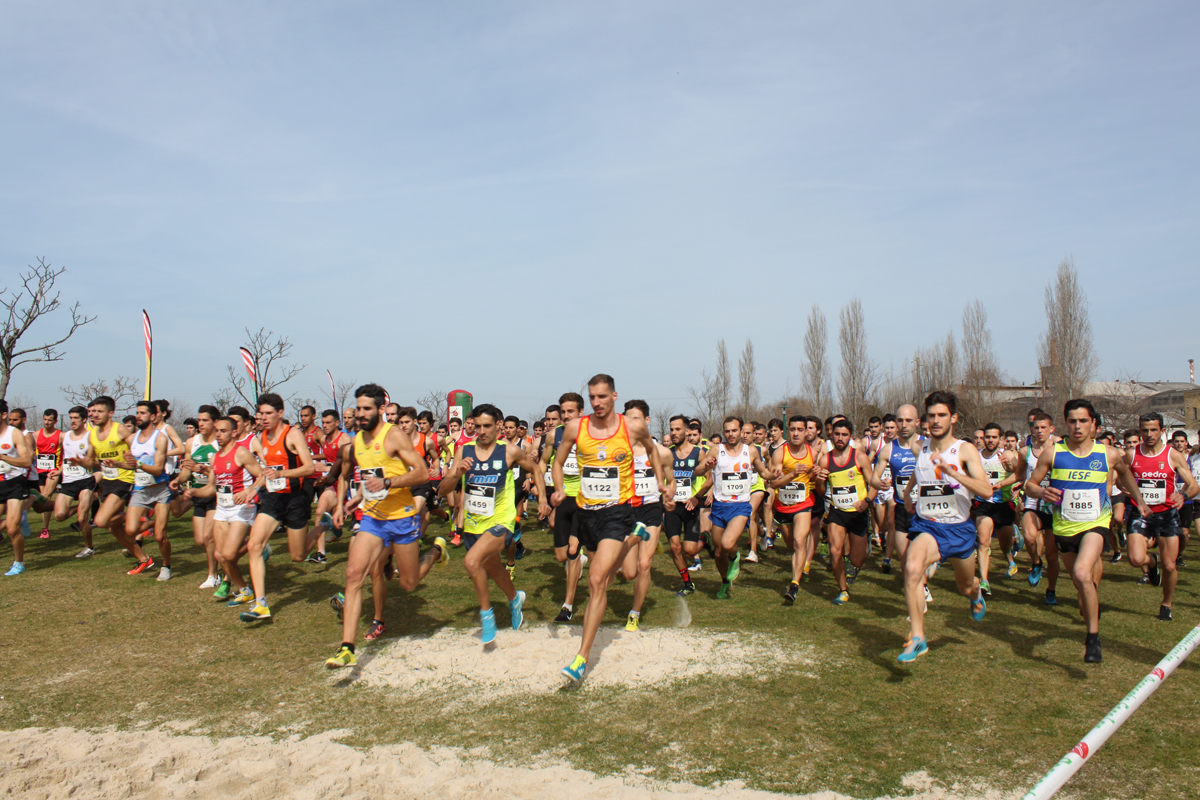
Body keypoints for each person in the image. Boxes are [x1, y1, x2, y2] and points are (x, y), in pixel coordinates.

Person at [326, 384, 447, 668]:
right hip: (373, 518)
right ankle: (347, 648)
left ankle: (436, 551)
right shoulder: (358, 440)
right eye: (359, 408)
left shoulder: (393, 435)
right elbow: (369, 477)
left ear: (381, 409)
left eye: (367, 408)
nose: (361, 414)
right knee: (354, 574)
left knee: (408, 582)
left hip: (402, 517)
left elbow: (421, 473)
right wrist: (356, 498)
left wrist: (388, 482)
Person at [552, 374, 661, 683]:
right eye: (592, 397)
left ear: (614, 396)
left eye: (602, 396)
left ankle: (581, 658)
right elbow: (557, 463)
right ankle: (634, 538)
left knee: (597, 579)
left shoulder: (632, 427)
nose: (597, 402)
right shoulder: (576, 428)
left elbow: (653, 451)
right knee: (615, 573)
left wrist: (663, 483)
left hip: (617, 513)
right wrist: (558, 489)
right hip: (587, 513)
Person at [1025, 399, 1146, 661]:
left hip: (1095, 524)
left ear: (1093, 424)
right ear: (1066, 423)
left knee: (1081, 572)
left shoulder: (1108, 454)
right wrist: (1042, 492)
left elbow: (1125, 473)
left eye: (1083, 421)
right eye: (1072, 421)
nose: (1077, 426)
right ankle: (1088, 605)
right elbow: (1030, 485)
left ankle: (1093, 638)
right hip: (1064, 528)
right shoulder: (1052, 453)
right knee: (1082, 584)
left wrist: (1140, 499)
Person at [898, 392, 994, 663]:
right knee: (912, 568)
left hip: (959, 530)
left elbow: (986, 490)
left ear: (953, 418)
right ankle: (918, 637)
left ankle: (975, 593)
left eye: (942, 415)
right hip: (928, 526)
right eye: (931, 416)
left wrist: (952, 473)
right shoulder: (920, 448)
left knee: (964, 586)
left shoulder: (964, 450)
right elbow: (920, 472)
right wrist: (908, 493)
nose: (936, 420)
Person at [439, 404, 546, 644]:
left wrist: (542, 499)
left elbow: (536, 469)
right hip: (474, 524)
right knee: (495, 570)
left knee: (471, 561)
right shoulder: (464, 450)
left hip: (500, 522)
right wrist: (457, 474)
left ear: (498, 425)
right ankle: (515, 599)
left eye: (486, 426)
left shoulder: (509, 451)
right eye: (477, 426)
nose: (482, 431)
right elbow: (442, 490)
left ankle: (487, 617)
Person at [240, 393, 317, 622]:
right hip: (273, 498)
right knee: (254, 545)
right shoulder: (260, 438)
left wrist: (282, 473)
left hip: (296, 498)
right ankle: (261, 604)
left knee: (298, 556)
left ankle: (322, 526)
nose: (263, 418)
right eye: (261, 414)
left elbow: (309, 467)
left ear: (280, 413)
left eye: (268, 413)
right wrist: (254, 488)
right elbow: (266, 471)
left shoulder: (292, 434)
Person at [1125, 413, 1199, 621]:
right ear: (1140, 431)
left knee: (1169, 566)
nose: (1149, 434)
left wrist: (1183, 495)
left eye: (1154, 430)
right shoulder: (1131, 454)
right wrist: (1125, 488)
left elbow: (1193, 485)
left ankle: (1166, 603)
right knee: (1135, 559)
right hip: (1141, 513)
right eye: (1145, 430)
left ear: (1162, 431)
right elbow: (1119, 475)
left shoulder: (1172, 455)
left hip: (1167, 514)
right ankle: (1151, 562)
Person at [186, 415, 266, 608]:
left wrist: (249, 490)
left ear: (233, 432)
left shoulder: (242, 453)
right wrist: (192, 492)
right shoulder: (215, 457)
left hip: (241, 508)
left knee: (229, 555)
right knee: (220, 556)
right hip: (222, 508)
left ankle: (257, 546)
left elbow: (262, 475)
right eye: (217, 431)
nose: (219, 435)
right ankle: (244, 590)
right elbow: (211, 488)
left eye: (223, 431)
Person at [692, 415, 770, 599]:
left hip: (740, 506)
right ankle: (725, 581)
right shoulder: (716, 450)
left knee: (727, 544)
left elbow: (764, 472)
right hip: (720, 507)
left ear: (741, 431)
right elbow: (697, 471)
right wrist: (707, 466)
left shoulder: (751, 451)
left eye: (734, 430)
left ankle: (735, 557)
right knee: (719, 552)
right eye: (727, 431)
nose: (731, 434)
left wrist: (775, 475)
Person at [620, 400, 676, 630]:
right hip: (626, 511)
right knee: (628, 573)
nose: (631, 423)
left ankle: (634, 613)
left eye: (636, 419)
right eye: (627, 419)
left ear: (647, 421)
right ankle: (646, 539)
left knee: (644, 565)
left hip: (651, 508)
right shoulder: (619, 451)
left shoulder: (661, 452)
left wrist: (669, 495)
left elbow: (671, 480)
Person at [813, 419, 877, 605]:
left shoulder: (860, 458)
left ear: (851, 437)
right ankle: (843, 590)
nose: (840, 438)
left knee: (857, 560)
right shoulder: (825, 459)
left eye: (844, 435)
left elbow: (873, 485)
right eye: (837, 434)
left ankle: (862, 549)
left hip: (858, 512)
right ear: (831, 435)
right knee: (835, 551)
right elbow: (821, 491)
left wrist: (866, 502)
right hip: (837, 511)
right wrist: (819, 480)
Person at [123, 400, 174, 581]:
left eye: (142, 413)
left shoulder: (160, 438)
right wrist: (117, 464)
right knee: (130, 530)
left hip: (159, 490)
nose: (138, 416)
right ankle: (155, 523)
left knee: (160, 537)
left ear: (152, 417)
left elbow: (158, 469)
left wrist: (138, 464)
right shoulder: (133, 438)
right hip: (140, 490)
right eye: (137, 412)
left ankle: (166, 566)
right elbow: (133, 465)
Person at [769, 416, 817, 604]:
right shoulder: (780, 453)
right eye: (793, 429)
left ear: (806, 432)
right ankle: (799, 563)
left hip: (804, 503)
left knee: (799, 541)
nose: (796, 433)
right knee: (791, 545)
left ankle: (794, 585)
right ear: (788, 431)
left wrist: (816, 475)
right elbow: (773, 484)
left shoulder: (813, 453)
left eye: (800, 429)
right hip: (783, 505)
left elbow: (814, 479)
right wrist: (792, 474)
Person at [173, 405, 221, 587]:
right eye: (199, 420)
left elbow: (223, 473)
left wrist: (203, 469)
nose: (200, 424)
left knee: (208, 536)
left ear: (215, 422)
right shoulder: (192, 442)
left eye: (205, 420)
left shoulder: (220, 442)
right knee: (201, 540)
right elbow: (187, 471)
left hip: (216, 494)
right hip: (198, 494)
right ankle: (240, 544)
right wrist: (178, 480)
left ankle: (213, 575)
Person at [662, 414, 709, 596]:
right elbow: (661, 479)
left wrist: (697, 497)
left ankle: (705, 538)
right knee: (675, 547)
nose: (673, 433)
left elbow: (710, 479)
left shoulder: (698, 453)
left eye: (678, 429)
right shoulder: (666, 453)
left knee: (689, 550)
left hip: (691, 506)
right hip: (673, 507)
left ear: (687, 431)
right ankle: (687, 583)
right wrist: (665, 497)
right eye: (671, 429)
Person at [1017, 410, 1060, 603]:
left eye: (1044, 427)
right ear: (1032, 429)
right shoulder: (1025, 452)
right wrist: (1007, 485)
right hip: (1033, 502)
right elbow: (1019, 476)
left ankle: (1051, 589)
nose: (1040, 431)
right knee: (1029, 536)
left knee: (1052, 556)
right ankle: (1036, 562)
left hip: (1054, 507)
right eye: (1036, 427)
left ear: (1052, 429)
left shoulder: (1060, 450)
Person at [973, 422, 1020, 594]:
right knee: (983, 541)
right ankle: (984, 581)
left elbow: (1019, 474)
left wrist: (1007, 473)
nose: (990, 440)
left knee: (1004, 543)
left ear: (1000, 439)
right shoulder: (976, 456)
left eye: (994, 437)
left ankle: (1011, 560)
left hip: (1003, 505)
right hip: (983, 504)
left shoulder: (1006, 454)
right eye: (987, 437)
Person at [54, 406, 97, 558]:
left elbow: (92, 461)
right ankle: (83, 506)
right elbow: (65, 458)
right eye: (71, 418)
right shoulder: (64, 436)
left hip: (85, 480)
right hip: (68, 481)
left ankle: (89, 547)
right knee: (59, 516)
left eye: (76, 418)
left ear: (84, 419)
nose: (72, 421)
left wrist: (81, 462)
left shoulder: (90, 436)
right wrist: (59, 471)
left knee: (81, 518)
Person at [0, 399, 34, 575]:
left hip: (14, 484)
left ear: (3, 415)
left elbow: (27, 461)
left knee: (12, 528)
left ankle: (19, 563)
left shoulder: (13, 434)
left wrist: (3, 457)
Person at [33, 409, 63, 539]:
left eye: (50, 420)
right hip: (39, 470)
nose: (47, 422)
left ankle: (45, 528)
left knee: (46, 496)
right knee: (42, 499)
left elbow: (68, 453)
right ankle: (62, 506)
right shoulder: (36, 434)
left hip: (53, 470)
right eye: (45, 419)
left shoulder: (60, 436)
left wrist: (60, 469)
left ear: (55, 421)